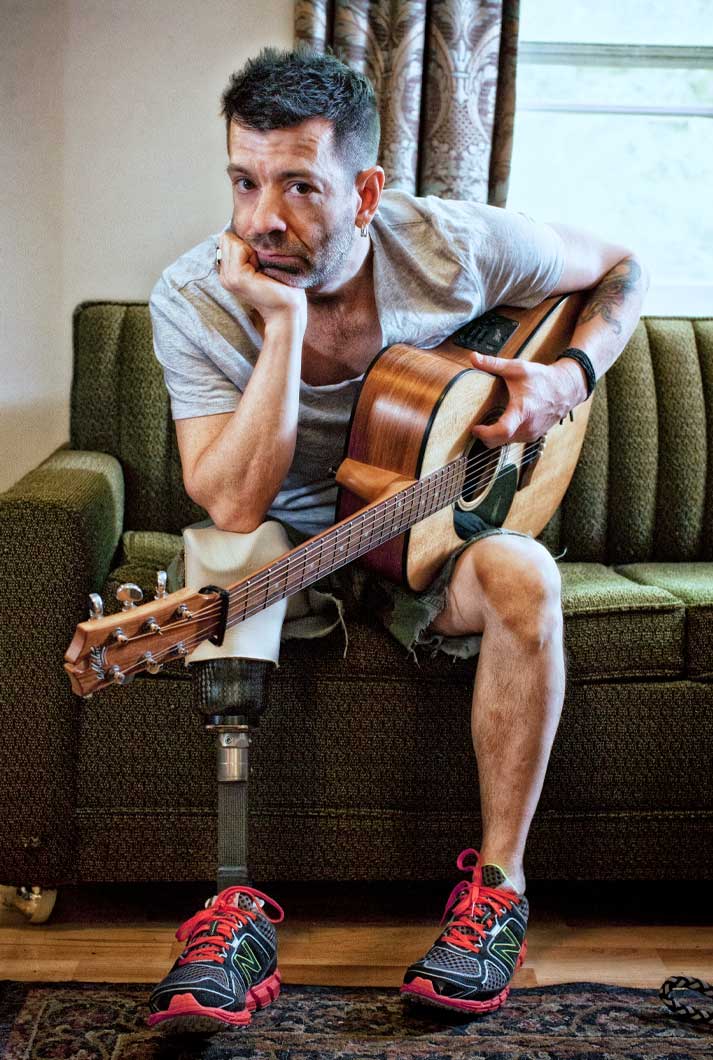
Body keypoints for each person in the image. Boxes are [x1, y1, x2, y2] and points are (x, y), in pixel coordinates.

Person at [146, 47, 648, 1032]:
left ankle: (495, 893)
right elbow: (234, 505)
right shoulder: (196, 299)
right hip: (289, 544)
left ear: (366, 189)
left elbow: (620, 269)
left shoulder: (453, 243)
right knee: (222, 555)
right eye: (245, 182)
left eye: (299, 186)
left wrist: (567, 377)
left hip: (430, 539)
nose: (261, 219)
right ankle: (232, 914)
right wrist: (281, 328)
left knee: (524, 571)